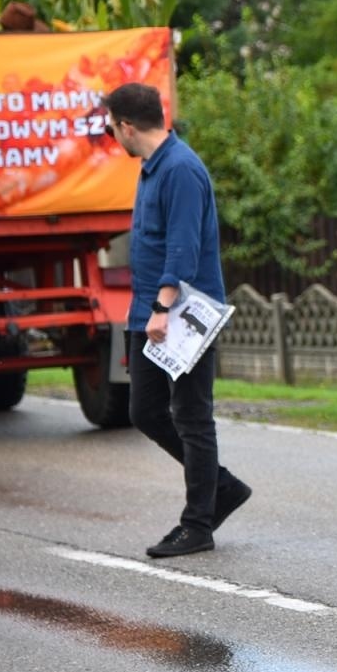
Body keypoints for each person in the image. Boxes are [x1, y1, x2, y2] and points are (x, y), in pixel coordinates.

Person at [103, 82, 251, 558]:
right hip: (148, 309)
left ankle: (198, 524)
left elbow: (184, 246)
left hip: (183, 313)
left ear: (127, 125)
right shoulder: (152, 167)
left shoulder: (181, 169)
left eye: (112, 128)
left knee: (191, 416)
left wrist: (164, 307)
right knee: (144, 411)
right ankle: (220, 487)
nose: (113, 137)